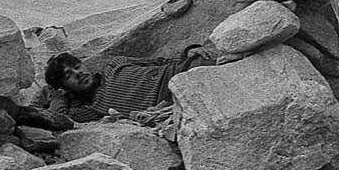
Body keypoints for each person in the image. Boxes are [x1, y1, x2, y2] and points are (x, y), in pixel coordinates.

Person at [44, 45, 214, 123]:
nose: (78, 73)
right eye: (68, 75)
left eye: (76, 66)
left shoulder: (115, 64)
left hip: (187, 70)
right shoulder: (93, 109)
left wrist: (187, 51)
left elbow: (159, 61)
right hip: (177, 100)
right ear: (64, 87)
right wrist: (55, 92)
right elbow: (59, 118)